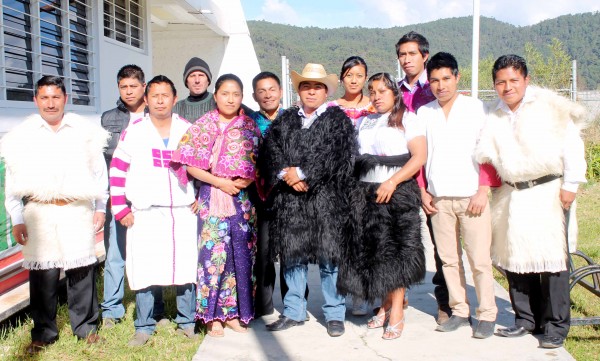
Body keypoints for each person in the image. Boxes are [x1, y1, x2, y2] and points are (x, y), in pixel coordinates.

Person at [475, 54, 587, 349]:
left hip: (547, 190)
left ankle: (555, 325)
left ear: (526, 79)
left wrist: (571, 184)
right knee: (515, 258)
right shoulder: (493, 113)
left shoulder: (550, 108)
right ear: (495, 84)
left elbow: (572, 145)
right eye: (501, 82)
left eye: (514, 80)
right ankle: (526, 319)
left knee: (551, 260)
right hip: (511, 194)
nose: (507, 87)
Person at [1, 76, 108, 354]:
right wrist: (17, 218)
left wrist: (100, 208)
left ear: (65, 98)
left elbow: (99, 173)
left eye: (56, 97)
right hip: (39, 212)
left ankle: (85, 328)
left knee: (81, 272)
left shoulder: (84, 131)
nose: (50, 103)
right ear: (36, 100)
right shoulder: (21, 135)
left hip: (76, 209)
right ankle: (44, 332)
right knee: (43, 276)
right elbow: (12, 182)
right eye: (44, 98)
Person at [259, 63, 358, 337]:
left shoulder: (338, 120)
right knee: (293, 256)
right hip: (291, 202)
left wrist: (302, 173)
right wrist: (285, 173)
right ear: (298, 89)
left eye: (317, 87)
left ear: (325, 91)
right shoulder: (286, 119)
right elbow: (271, 149)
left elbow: (338, 155)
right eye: (306, 86)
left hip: (326, 201)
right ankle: (293, 311)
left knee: (329, 260)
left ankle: (335, 314)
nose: (311, 91)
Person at [110, 75, 198, 346]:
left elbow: (201, 167)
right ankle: (144, 325)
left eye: (166, 95)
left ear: (174, 99)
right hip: (145, 212)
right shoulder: (135, 131)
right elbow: (117, 168)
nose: (160, 100)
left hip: (182, 211)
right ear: (146, 99)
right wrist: (119, 208)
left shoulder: (188, 129)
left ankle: (187, 321)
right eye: (155, 95)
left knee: (185, 267)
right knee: (146, 267)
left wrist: (200, 198)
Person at [338, 72, 426, 340]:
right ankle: (384, 305)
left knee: (396, 254)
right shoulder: (364, 121)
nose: (376, 97)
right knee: (375, 254)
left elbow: (418, 157)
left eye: (382, 91)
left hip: (397, 194)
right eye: (373, 91)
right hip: (365, 196)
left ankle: (397, 310)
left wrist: (392, 182)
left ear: (395, 93)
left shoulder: (408, 119)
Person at [172, 74, 260, 337]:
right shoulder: (203, 125)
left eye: (236, 94)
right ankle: (212, 317)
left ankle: (233, 312)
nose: (230, 99)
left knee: (240, 255)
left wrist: (242, 182)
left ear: (242, 97)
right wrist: (221, 183)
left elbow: (259, 163)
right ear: (216, 95)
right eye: (225, 93)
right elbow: (188, 163)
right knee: (213, 256)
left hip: (241, 201)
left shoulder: (248, 126)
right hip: (212, 197)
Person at [417, 52, 497, 338]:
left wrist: (483, 189)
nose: (441, 86)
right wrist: (423, 191)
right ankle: (460, 310)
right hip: (439, 199)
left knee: (479, 259)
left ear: (457, 77)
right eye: (435, 80)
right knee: (449, 260)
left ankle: (487, 314)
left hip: (471, 197)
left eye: (446, 79)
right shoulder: (425, 112)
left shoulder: (476, 108)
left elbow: (488, 151)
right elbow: (420, 155)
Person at [396, 31, 450, 323]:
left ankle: (445, 300)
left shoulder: (438, 90)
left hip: (433, 179)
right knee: (402, 239)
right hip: (403, 178)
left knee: (441, 243)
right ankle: (397, 295)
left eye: (412, 54)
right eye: (402, 54)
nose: (406, 59)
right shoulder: (394, 92)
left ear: (425, 56)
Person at [100, 64, 153, 328]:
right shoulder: (108, 119)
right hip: (118, 196)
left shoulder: (156, 114)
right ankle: (111, 309)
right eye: (124, 86)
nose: (129, 91)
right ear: (118, 88)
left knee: (152, 252)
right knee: (115, 254)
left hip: (148, 195)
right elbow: (102, 162)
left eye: (134, 86)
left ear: (144, 86)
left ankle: (156, 307)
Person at [328, 56, 374, 128]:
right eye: (349, 75)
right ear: (342, 77)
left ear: (365, 78)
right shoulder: (331, 108)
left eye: (359, 76)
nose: (353, 81)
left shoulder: (375, 107)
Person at [173, 57, 217, 121]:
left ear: (208, 80)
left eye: (201, 75)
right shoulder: (176, 109)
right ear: (186, 81)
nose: (197, 80)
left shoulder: (218, 104)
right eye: (192, 76)